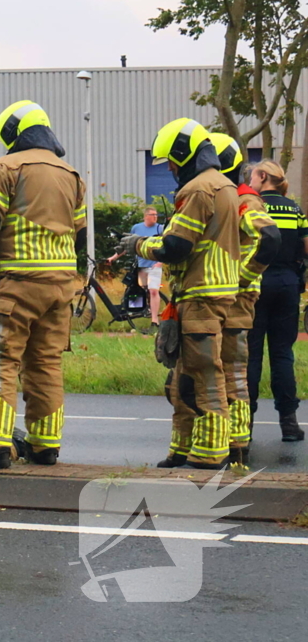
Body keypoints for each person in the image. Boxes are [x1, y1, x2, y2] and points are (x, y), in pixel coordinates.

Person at [0, 100, 86, 469]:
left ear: (15, 133)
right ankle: (46, 446)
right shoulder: (72, 174)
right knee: (46, 363)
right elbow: (79, 233)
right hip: (61, 287)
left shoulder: (5, 168)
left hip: (15, 285)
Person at [120, 118, 241, 469]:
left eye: (171, 161)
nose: (171, 169)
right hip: (212, 294)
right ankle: (183, 450)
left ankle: (211, 454)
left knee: (203, 374)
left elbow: (176, 246)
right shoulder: (225, 186)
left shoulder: (199, 189)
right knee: (182, 376)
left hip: (201, 294)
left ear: (183, 153)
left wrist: (139, 244)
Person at [163, 134, 279, 466]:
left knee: (212, 372)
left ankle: (222, 445)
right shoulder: (226, 198)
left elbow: (268, 238)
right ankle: (224, 445)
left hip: (229, 296)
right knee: (214, 373)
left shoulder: (241, 200)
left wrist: (243, 277)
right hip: (228, 295)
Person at [246, 159, 308, 442]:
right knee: (283, 354)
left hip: (255, 283)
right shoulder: (294, 208)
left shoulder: (253, 205)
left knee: (251, 354)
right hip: (287, 284)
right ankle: (289, 424)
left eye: (252, 175)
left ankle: (244, 425)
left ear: (262, 176)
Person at [107, 207, 164, 330]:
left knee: (154, 291)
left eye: (156, 215)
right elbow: (128, 246)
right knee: (141, 291)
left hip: (154, 265)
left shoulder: (160, 228)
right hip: (141, 266)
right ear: (145, 216)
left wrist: (160, 262)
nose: (155, 217)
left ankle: (155, 321)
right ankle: (142, 311)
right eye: (152, 215)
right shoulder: (136, 228)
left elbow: (166, 247)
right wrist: (113, 258)